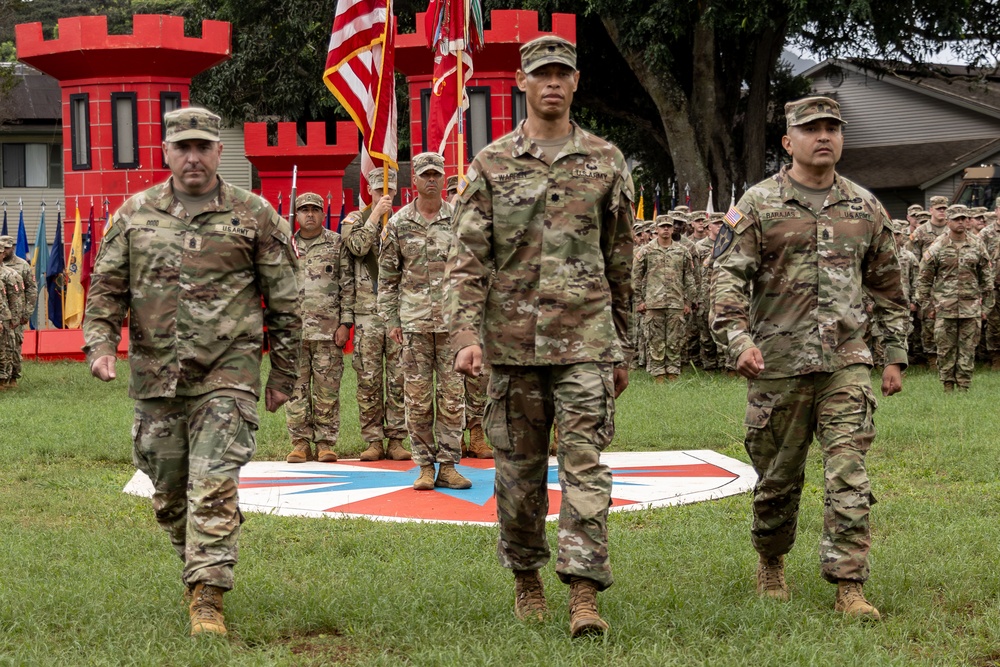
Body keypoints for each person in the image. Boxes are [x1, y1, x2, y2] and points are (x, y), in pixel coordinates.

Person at [82, 107, 301, 637]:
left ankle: (208, 596)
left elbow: (288, 301)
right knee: (170, 490)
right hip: (156, 377)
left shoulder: (254, 215)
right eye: (183, 147)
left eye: (203, 147)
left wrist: (284, 375)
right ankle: (203, 554)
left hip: (228, 374)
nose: (194, 157)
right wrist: (101, 345)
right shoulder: (133, 215)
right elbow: (106, 290)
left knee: (213, 482)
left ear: (218, 151)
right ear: (167, 152)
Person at [447, 35, 634, 637]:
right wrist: (464, 336)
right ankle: (526, 575)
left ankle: (584, 594)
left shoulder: (606, 160)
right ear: (521, 84)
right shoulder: (492, 164)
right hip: (511, 343)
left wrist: (622, 343)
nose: (551, 82)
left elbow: (621, 259)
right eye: (540, 74)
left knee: (585, 465)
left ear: (576, 82)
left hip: (586, 341)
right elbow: (468, 258)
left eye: (562, 73)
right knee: (519, 476)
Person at [711, 96, 908, 621]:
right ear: (788, 140)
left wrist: (894, 356)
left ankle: (849, 585)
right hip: (776, 364)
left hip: (846, 363)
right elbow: (727, 279)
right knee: (778, 480)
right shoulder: (757, 204)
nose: (824, 136)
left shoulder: (865, 207)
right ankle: (771, 560)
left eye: (832, 128)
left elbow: (889, 288)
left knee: (849, 473)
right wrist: (737, 341)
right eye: (811, 128)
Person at [378, 152, 470, 490]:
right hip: (413, 326)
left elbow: (475, 270)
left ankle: (448, 465)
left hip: (453, 327)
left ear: (443, 179)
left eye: (436, 174)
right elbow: (387, 277)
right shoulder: (399, 223)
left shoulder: (459, 219)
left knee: (452, 397)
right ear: (413, 181)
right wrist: (390, 319)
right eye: (425, 175)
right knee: (416, 398)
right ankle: (425, 467)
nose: (431, 180)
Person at [340, 169, 411, 462]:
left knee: (398, 379)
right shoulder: (355, 221)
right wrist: (374, 218)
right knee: (368, 380)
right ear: (370, 189)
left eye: (390, 192)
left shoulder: (404, 222)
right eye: (381, 191)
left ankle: (396, 439)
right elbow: (357, 248)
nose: (386, 196)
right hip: (367, 315)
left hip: (397, 315)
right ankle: (373, 440)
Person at [284, 193, 355, 463]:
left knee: (327, 390)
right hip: (293, 331)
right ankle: (300, 443)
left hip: (328, 330)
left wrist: (345, 323)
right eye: (304, 210)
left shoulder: (336, 244)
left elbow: (347, 285)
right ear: (297, 215)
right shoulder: (286, 245)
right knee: (295, 390)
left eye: (315, 209)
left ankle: (325, 442)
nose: (310, 214)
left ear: (323, 214)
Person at [915, 204, 994, 392]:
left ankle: (964, 385)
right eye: (957, 219)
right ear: (948, 221)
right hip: (944, 308)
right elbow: (924, 279)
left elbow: (987, 279)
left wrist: (986, 309)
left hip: (971, 308)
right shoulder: (937, 246)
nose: (961, 222)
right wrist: (928, 307)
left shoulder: (976, 244)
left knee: (968, 349)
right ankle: (948, 385)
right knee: (945, 349)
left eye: (964, 219)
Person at [633, 215, 695, 381]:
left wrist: (688, 301)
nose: (666, 229)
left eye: (669, 226)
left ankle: (673, 372)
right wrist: (639, 301)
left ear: (673, 229)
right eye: (663, 227)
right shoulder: (646, 251)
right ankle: (658, 374)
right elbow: (636, 277)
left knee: (675, 340)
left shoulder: (682, 251)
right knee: (655, 340)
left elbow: (689, 278)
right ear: (656, 230)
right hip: (653, 303)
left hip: (676, 302)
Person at [909, 196, 950, 367]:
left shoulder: (951, 230)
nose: (942, 211)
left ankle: (947, 357)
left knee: (948, 320)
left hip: (948, 283)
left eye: (944, 208)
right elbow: (913, 261)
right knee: (928, 321)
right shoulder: (920, 232)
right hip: (928, 283)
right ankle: (932, 359)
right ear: (931, 210)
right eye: (938, 208)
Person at [1, 234, 35, 385]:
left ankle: (13, 376)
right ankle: (4, 376)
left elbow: (31, 290)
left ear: (12, 248)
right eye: (2, 248)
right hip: (3, 312)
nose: (5, 251)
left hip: (16, 313)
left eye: (7, 248)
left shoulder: (22, 265)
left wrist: (26, 312)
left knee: (14, 346)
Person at [0, 239, 25, 389]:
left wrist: (15, 320)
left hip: (5, 318)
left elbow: (16, 299)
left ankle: (6, 379)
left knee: (7, 350)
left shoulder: (11, 274)